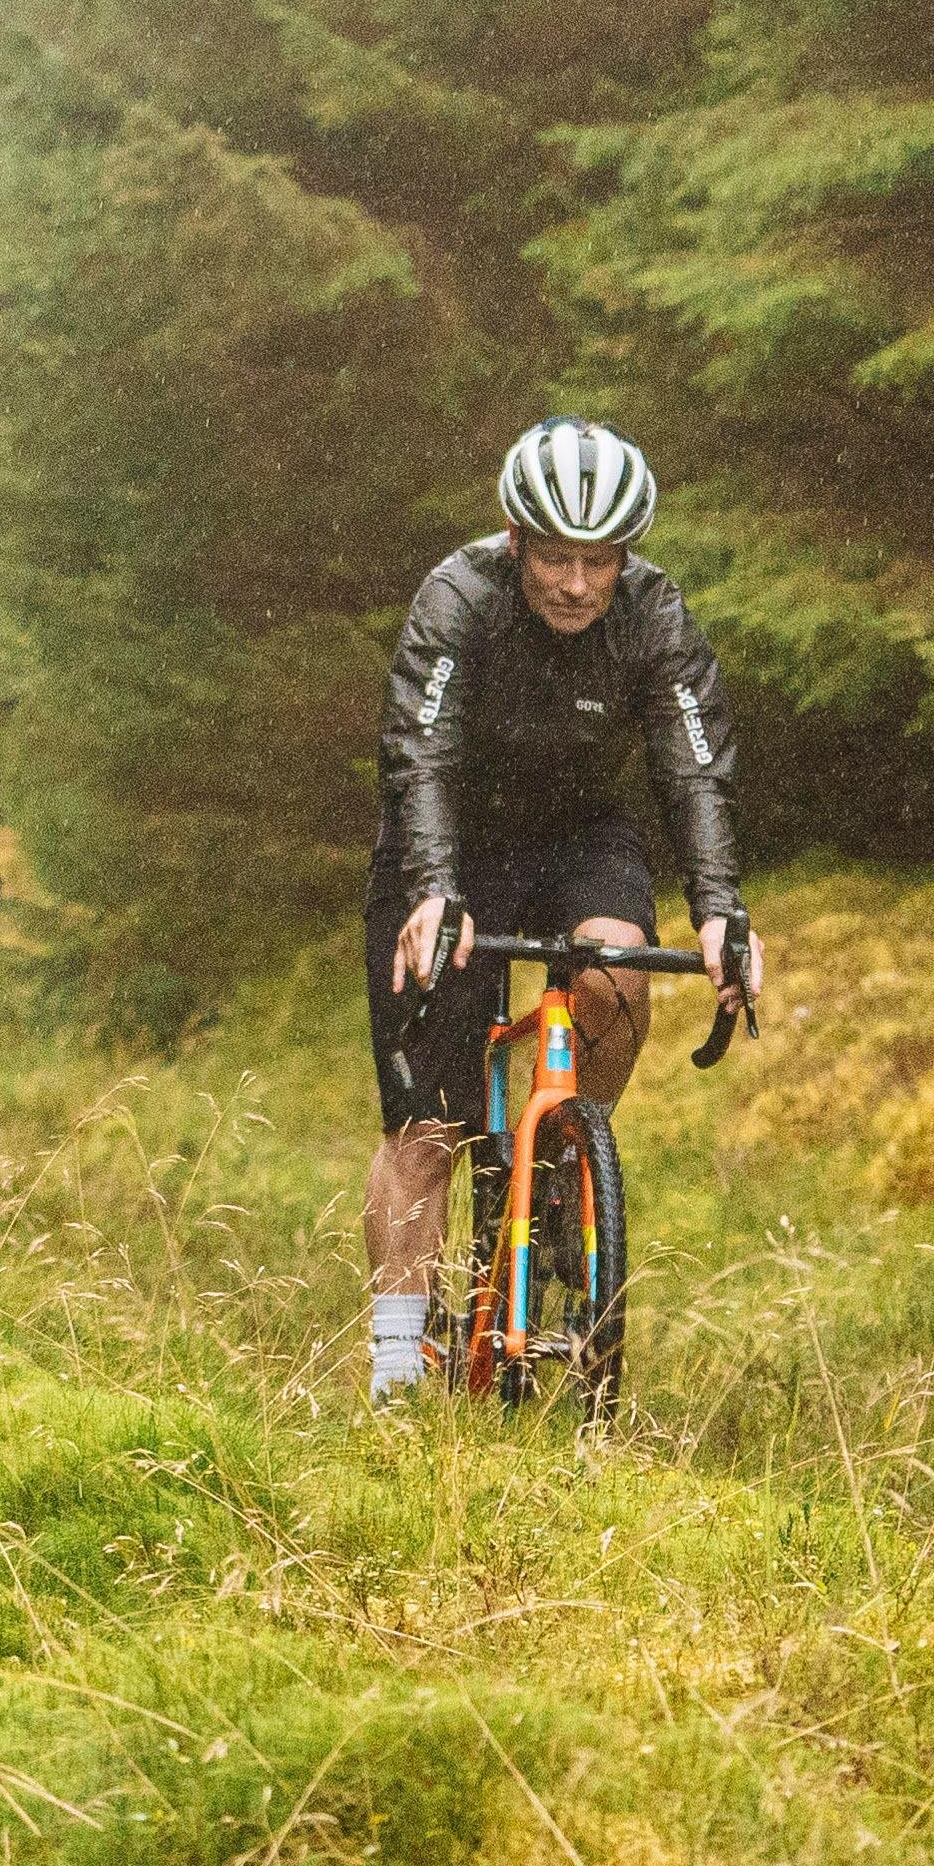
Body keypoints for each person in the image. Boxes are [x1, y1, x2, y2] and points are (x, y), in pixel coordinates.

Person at [362, 418, 753, 1406]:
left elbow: (693, 765)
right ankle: (398, 1372)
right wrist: (435, 888)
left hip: (580, 835)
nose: (577, 584)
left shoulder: (656, 613)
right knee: (432, 1129)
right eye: (554, 558)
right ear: (514, 539)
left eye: (599, 560)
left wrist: (718, 909)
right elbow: (424, 750)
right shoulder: (459, 599)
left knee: (620, 969)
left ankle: (567, 1157)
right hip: (448, 844)